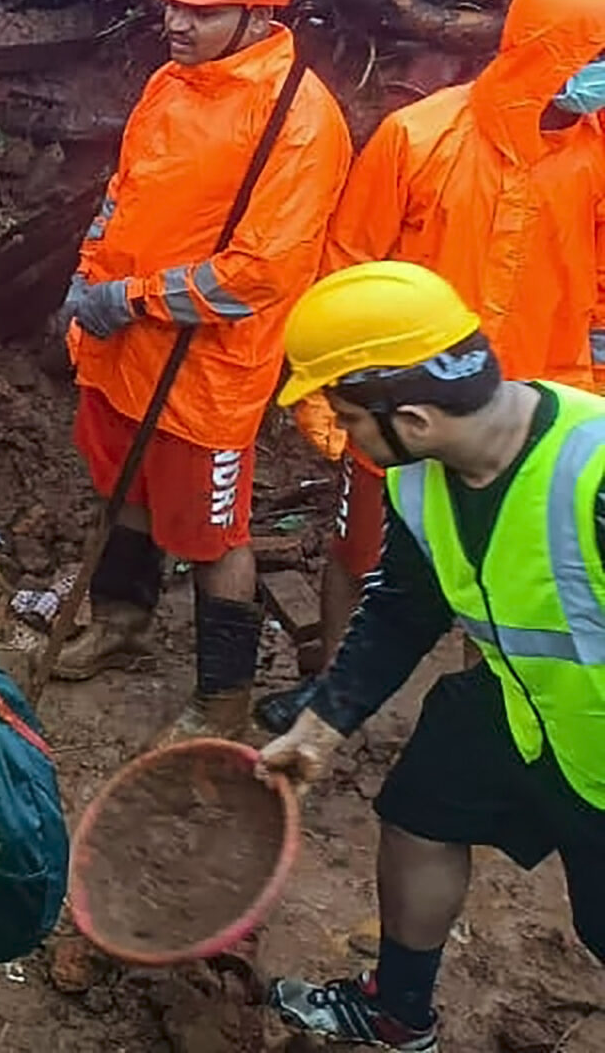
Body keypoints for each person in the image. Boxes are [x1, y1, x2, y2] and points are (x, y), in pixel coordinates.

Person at [262, 260, 605, 1050]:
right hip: (521, 709)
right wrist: (322, 725)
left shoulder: (591, 472)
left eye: (347, 418)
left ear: (411, 417)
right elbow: (406, 607)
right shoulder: (422, 477)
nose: (343, 435)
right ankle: (397, 1011)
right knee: (420, 812)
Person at [260, 0, 605, 734]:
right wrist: (326, 392)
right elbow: (348, 263)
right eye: (595, 58)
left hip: (537, 413)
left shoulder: (596, 155)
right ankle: (331, 694)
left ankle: (490, 718)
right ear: (552, 56)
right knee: (362, 554)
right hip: (398, 400)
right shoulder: (418, 138)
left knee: (520, 572)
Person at [51, 0, 351, 743]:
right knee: (124, 490)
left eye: (201, 10)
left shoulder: (299, 121)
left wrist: (136, 299)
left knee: (214, 537)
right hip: (121, 348)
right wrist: (88, 273)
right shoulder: (173, 82)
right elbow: (124, 192)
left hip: (205, 369)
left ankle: (222, 697)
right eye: (173, 5)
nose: (176, 23)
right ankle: (122, 619)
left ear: (258, 16)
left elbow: (260, 271)